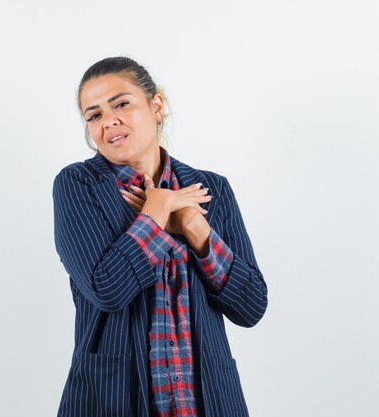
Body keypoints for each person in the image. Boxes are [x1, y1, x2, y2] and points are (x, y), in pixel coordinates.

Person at [52, 57, 268, 417]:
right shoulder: (78, 185)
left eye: (121, 103)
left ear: (156, 106)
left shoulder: (211, 188)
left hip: (208, 401)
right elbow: (107, 289)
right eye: (94, 115)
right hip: (111, 399)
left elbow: (251, 306)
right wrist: (157, 210)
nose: (109, 121)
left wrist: (192, 227)